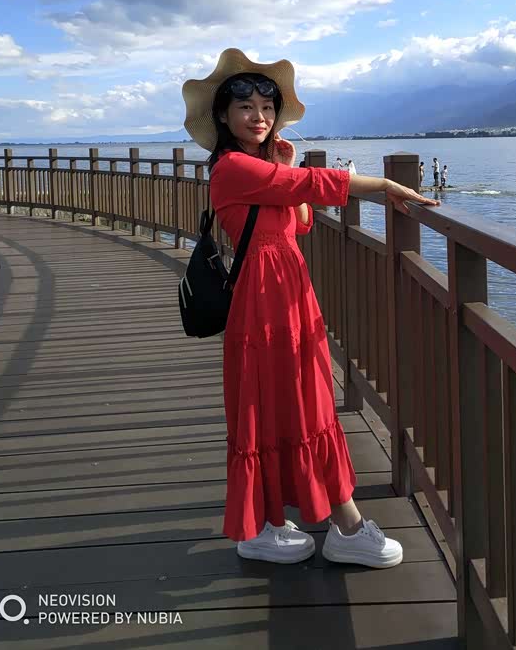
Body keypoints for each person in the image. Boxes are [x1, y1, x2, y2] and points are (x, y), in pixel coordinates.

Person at [182, 48, 440, 568]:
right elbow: (313, 187)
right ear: (223, 117)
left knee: (288, 398)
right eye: (245, 107)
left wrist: (282, 166)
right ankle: (339, 526)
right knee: (296, 399)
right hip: (264, 299)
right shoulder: (232, 168)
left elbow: (298, 219)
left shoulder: (257, 167)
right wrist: (384, 184)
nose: (259, 116)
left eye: (267, 107)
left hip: (286, 292)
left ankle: (270, 523)